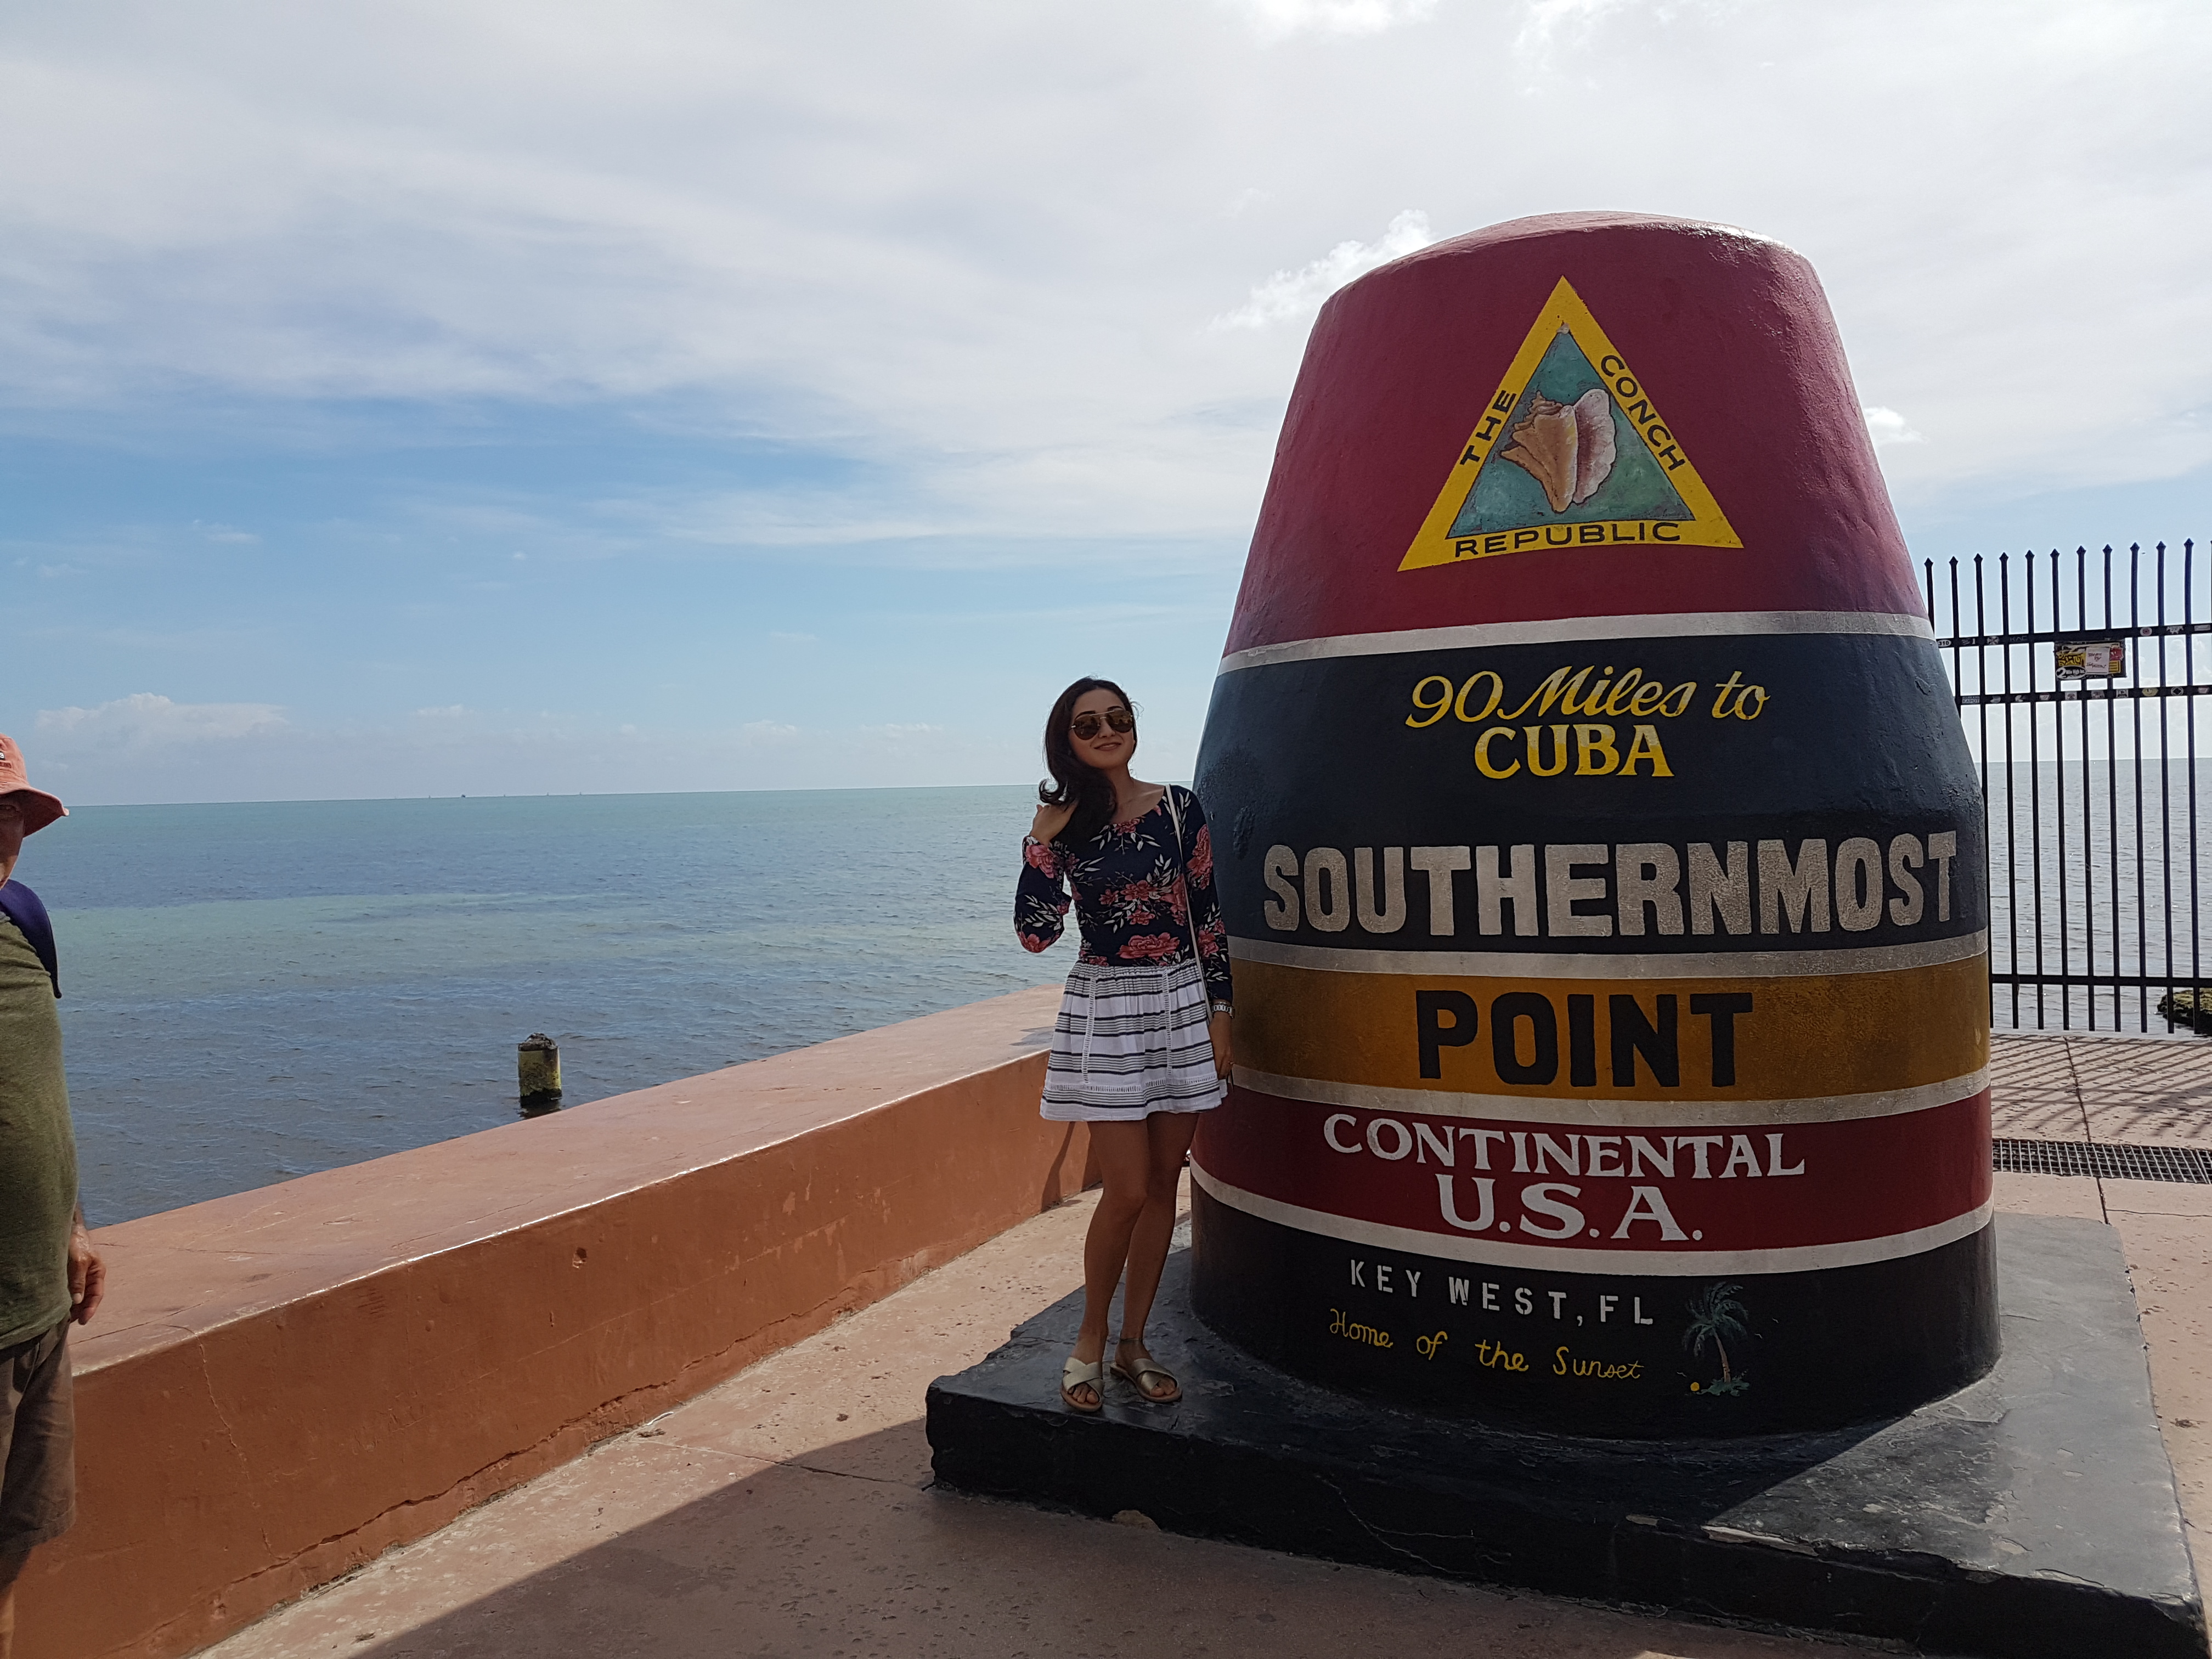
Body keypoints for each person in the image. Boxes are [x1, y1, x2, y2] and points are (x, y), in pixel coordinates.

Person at [1016, 679, 1232, 1412]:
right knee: (1128, 1189)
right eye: (1089, 724)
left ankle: (1134, 1344)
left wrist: (1222, 1012)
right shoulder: (1064, 825)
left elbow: (1208, 914)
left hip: (1181, 1002)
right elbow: (1036, 934)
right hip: (1106, 1006)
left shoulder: (1178, 807)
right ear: (1067, 741)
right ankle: (1089, 1338)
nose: (1107, 730)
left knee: (1164, 1184)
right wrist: (1041, 845)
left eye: (1118, 718)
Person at [0, 735, 104, 1658]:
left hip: (40, 1311)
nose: (2, 829)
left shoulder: (24, 918)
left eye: (10, 809)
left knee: (8, 1566)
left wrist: (74, 1227)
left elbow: (39, 1091)